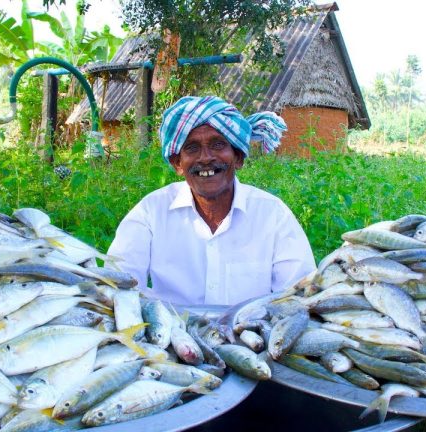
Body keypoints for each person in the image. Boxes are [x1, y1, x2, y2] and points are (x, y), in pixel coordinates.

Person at [107, 96, 316, 305]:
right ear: (177, 163)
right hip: (170, 333)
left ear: (239, 157)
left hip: (253, 334)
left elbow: (298, 297)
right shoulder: (151, 213)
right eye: (191, 148)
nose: (206, 157)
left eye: (217, 145)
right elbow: (118, 286)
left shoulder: (273, 215)